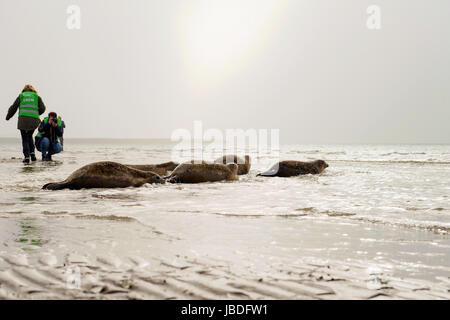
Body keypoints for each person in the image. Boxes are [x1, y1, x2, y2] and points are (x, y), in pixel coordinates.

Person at [5, 84, 46, 164]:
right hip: (34, 120)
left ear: (24, 90)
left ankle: (27, 157)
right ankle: (33, 155)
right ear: (33, 90)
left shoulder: (21, 96)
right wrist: (36, 113)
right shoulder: (37, 97)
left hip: (23, 120)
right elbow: (43, 108)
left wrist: (8, 117)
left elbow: (14, 107)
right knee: (29, 136)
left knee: (24, 138)